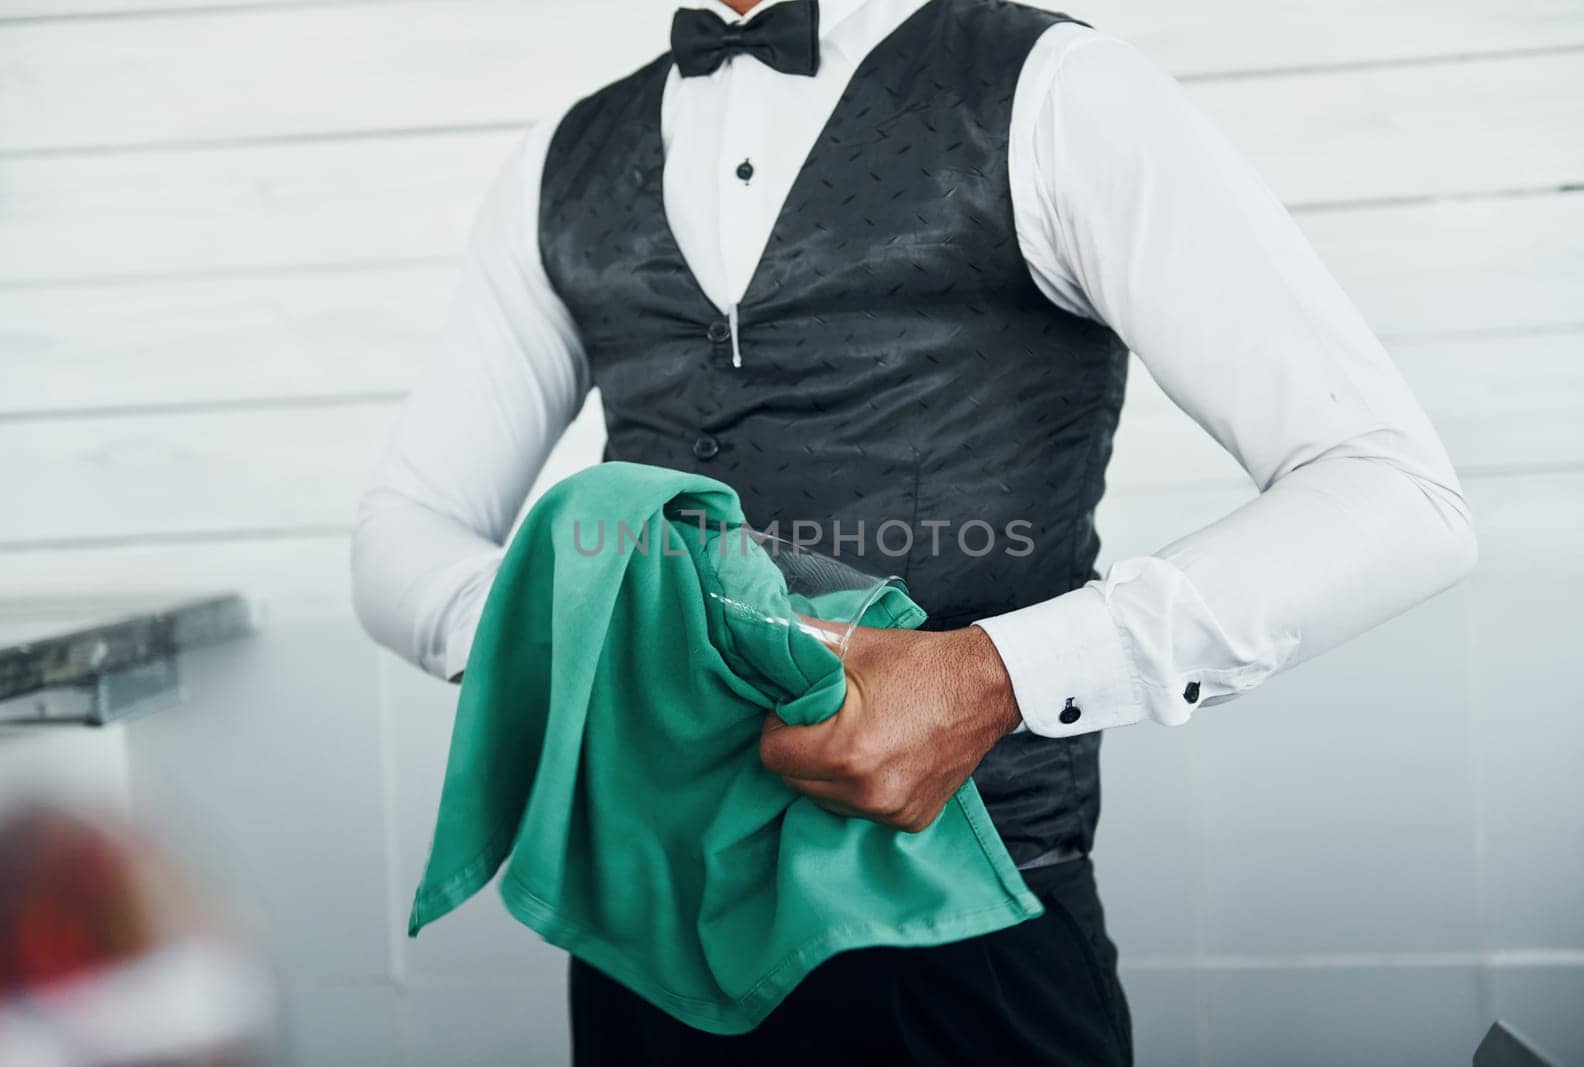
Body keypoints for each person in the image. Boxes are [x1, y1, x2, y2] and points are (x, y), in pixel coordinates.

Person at [351, 0, 1477, 1061]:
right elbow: (404, 533)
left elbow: (1390, 492)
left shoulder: (1057, 91)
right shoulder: (561, 162)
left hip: (969, 932)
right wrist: (587, 635)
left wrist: (993, 673)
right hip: (651, 939)